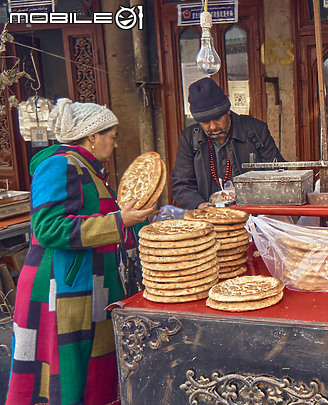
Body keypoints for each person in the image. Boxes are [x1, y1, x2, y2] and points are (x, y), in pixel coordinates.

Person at [6, 99, 155, 405]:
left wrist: (144, 226)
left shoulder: (88, 170)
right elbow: (48, 227)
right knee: (66, 377)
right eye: (111, 137)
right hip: (59, 291)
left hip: (87, 287)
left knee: (89, 377)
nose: (113, 145)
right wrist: (119, 220)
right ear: (92, 136)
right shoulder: (58, 165)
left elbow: (99, 221)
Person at [171, 77, 285, 209]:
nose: (213, 127)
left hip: (255, 212)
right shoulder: (189, 138)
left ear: (228, 111)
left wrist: (251, 194)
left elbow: (278, 172)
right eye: (205, 122)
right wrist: (199, 205)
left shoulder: (256, 130)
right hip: (209, 217)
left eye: (217, 118)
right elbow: (181, 184)